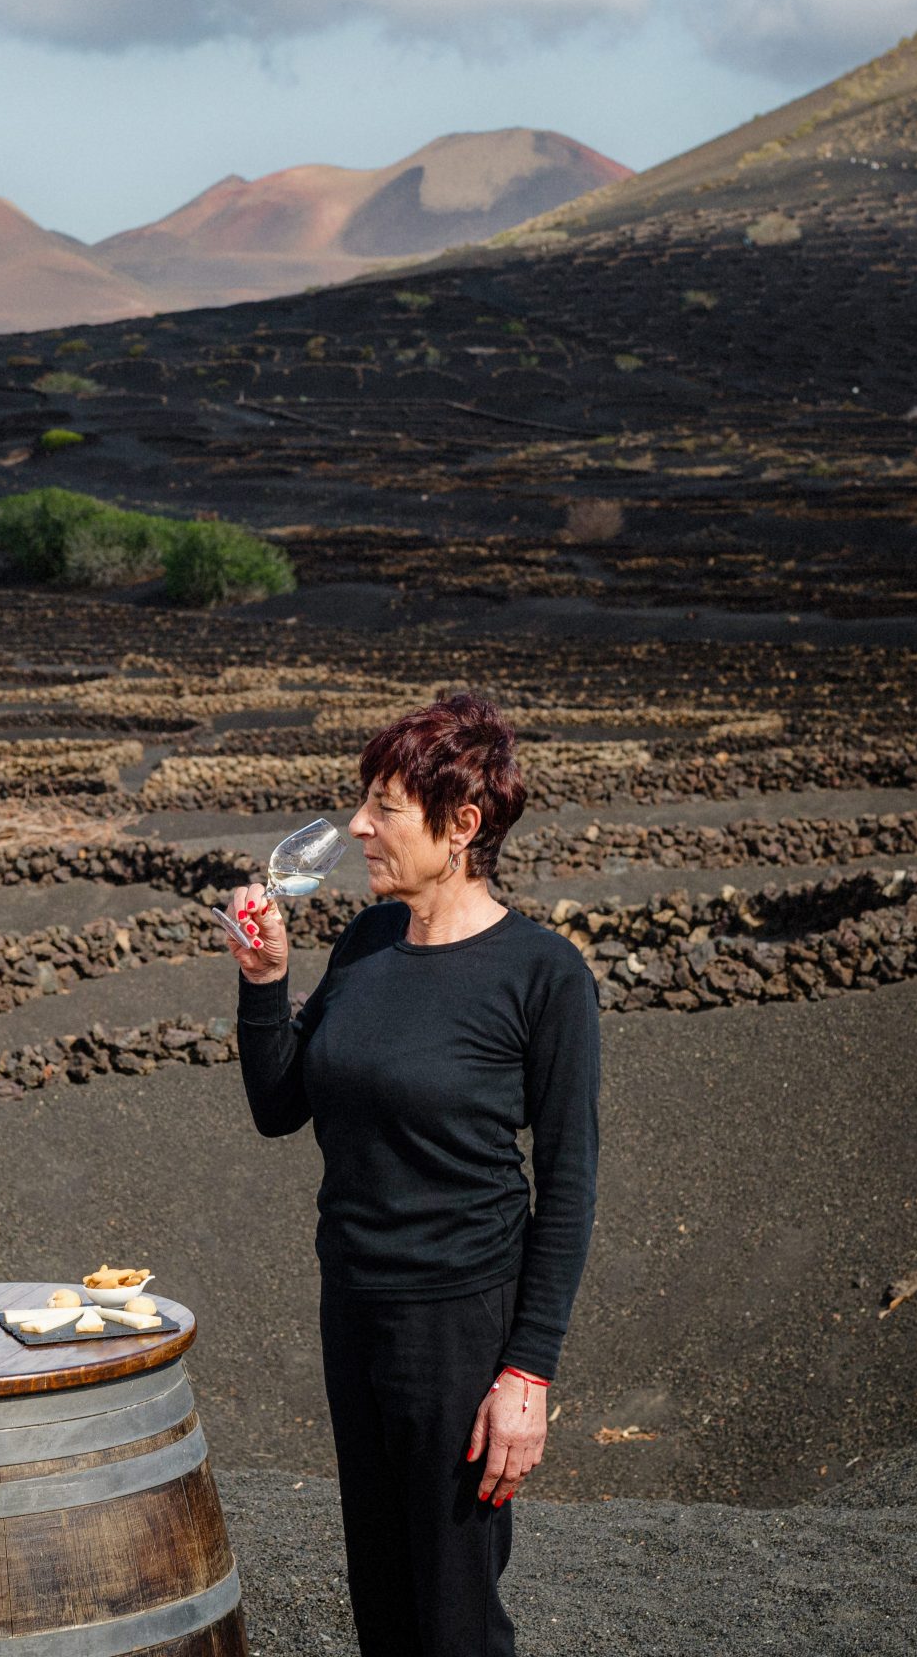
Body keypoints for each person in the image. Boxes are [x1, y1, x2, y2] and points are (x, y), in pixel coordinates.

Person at [227, 692, 600, 1657]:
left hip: (462, 1322)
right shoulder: (363, 944)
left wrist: (527, 1373)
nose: (358, 826)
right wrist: (264, 984)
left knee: (454, 1611)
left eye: (384, 807)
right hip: (354, 1302)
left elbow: (567, 1184)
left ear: (461, 825)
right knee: (383, 1594)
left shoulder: (542, 974)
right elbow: (278, 1108)